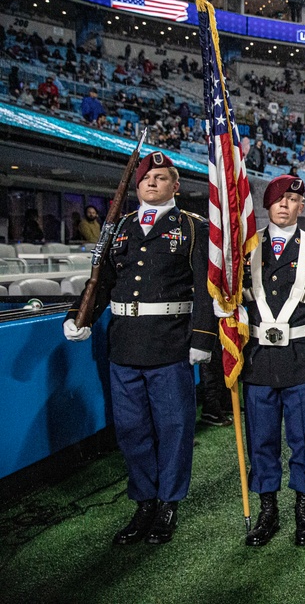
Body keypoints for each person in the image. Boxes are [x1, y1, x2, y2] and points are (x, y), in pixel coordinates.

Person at [63, 152, 214, 545]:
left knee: (174, 428)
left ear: (174, 186)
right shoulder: (120, 227)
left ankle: (168, 503)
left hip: (170, 342)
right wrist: (79, 316)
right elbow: (102, 280)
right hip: (124, 344)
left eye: (162, 178)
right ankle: (144, 500)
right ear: (137, 185)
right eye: (147, 178)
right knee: (132, 430)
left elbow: (206, 291)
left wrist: (202, 337)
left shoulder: (193, 227)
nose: (152, 183)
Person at [237, 175, 305, 548]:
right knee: (261, 441)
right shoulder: (246, 248)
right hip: (257, 359)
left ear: (301, 207)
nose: (284, 205)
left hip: (301, 358)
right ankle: (268, 510)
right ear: (267, 204)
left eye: (293, 200)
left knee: (304, 439)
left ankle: (303, 508)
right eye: (278, 199)